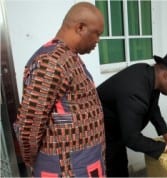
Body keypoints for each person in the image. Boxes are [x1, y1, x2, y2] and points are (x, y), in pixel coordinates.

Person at [14, 2, 106, 177]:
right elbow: (29, 127)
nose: (98, 40)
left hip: (84, 164)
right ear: (80, 27)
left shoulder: (69, 57)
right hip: (66, 170)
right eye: (97, 34)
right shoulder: (51, 62)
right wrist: (37, 162)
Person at [96, 52, 167, 177]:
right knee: (113, 171)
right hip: (100, 137)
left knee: (121, 168)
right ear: (166, 75)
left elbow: (153, 108)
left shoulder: (148, 73)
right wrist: (165, 147)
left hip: (116, 131)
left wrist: (165, 133)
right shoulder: (136, 91)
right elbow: (132, 138)